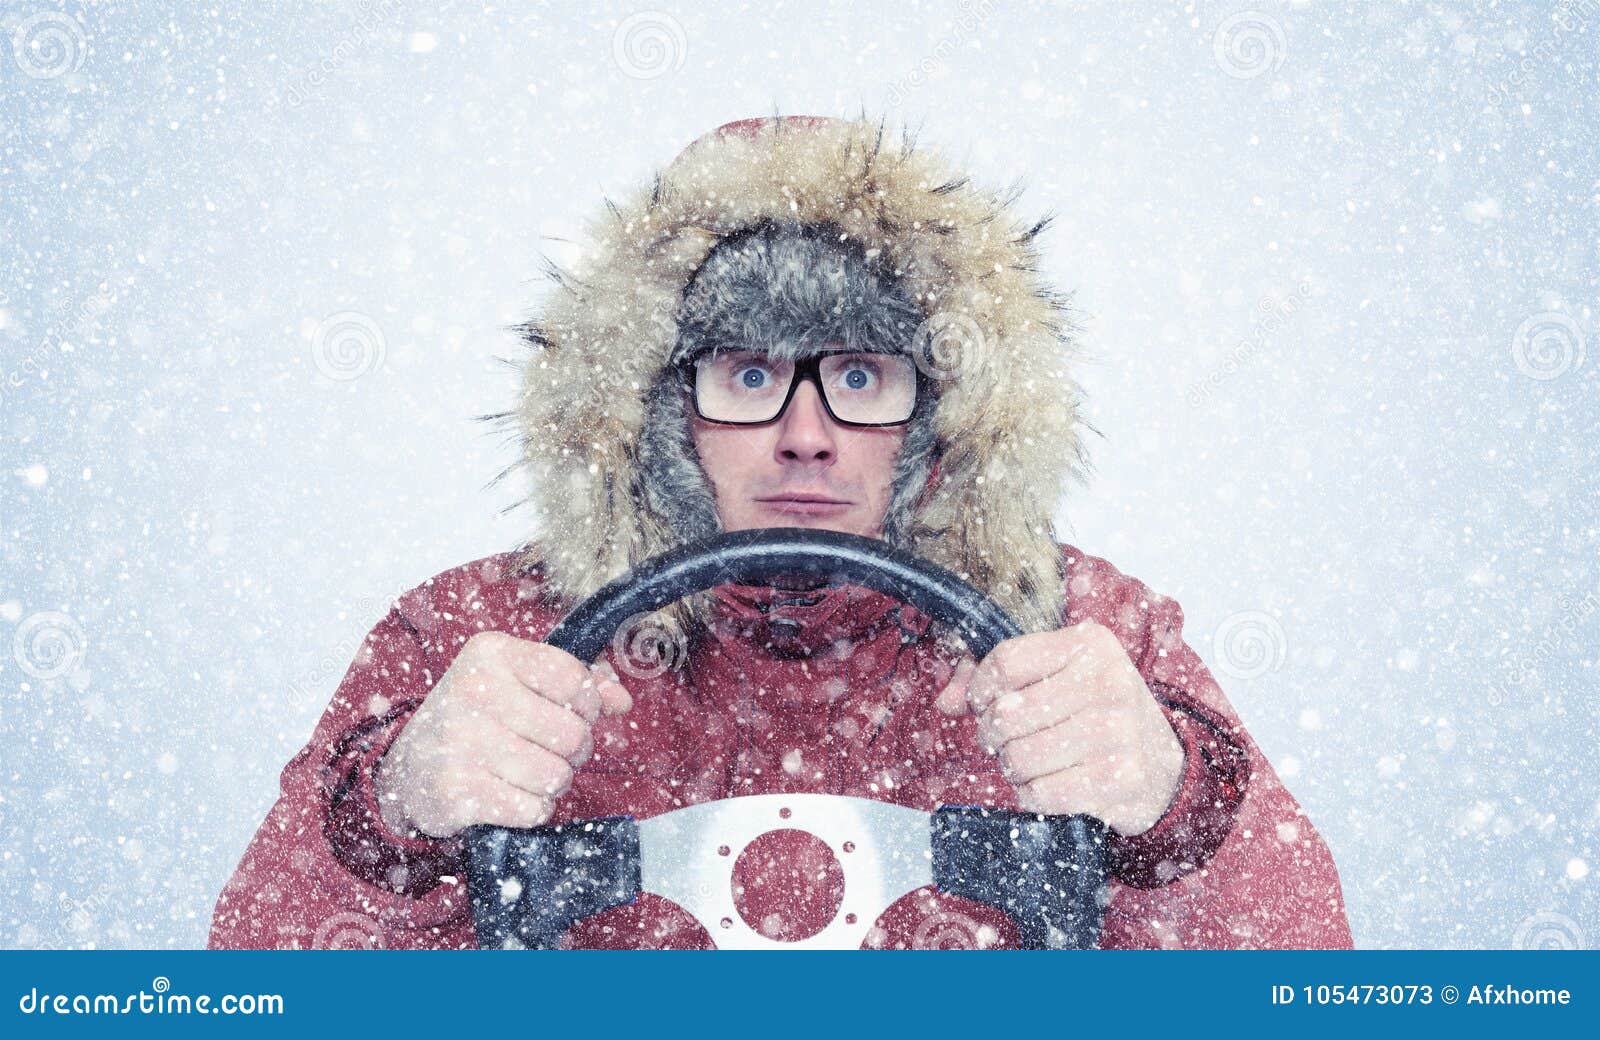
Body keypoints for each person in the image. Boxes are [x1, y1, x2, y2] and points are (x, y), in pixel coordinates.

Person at [209, 115, 1352, 949]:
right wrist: (392, 811)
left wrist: (1176, 803)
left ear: (944, 405)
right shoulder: (479, 641)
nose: (806, 434)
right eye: (747, 371)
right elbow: (256, 980)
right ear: (657, 407)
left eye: (860, 372)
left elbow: (1305, 979)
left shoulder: (1084, 642)